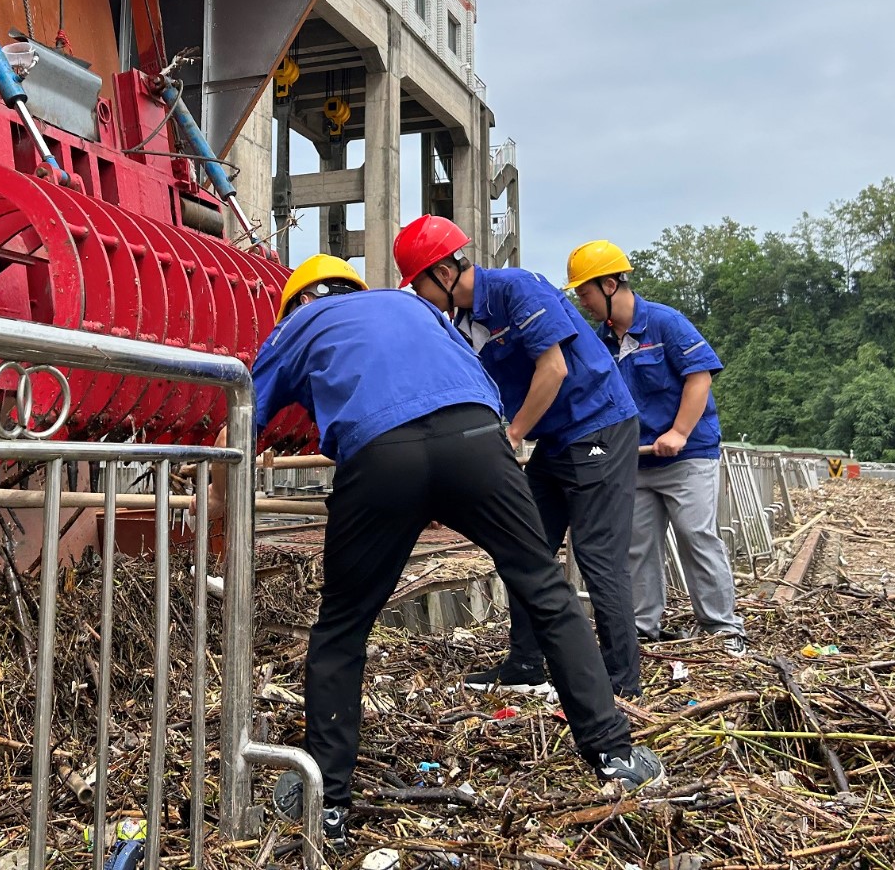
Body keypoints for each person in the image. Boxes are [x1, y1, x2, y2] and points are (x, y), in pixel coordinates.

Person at [214, 253, 664, 849]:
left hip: (380, 455)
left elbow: (238, 422)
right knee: (545, 587)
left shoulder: (298, 323)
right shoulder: (413, 306)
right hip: (475, 440)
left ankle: (329, 804)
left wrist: (216, 501)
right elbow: (475, 380)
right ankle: (614, 754)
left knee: (342, 627)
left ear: (299, 300)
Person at [393, 217, 643, 699]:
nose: (419, 295)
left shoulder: (517, 289)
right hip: (557, 439)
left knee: (597, 556)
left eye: (418, 284)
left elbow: (554, 368)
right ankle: (527, 663)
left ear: (443, 273)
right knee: (523, 546)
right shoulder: (463, 324)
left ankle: (620, 683)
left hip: (599, 426)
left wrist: (512, 435)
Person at [565, 240, 747, 656]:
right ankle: (642, 629)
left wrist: (679, 432)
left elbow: (700, 377)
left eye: (586, 292)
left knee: (696, 535)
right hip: (635, 461)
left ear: (610, 285)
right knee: (637, 543)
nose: (583, 302)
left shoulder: (666, 324)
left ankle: (722, 629)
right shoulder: (601, 342)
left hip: (687, 456)